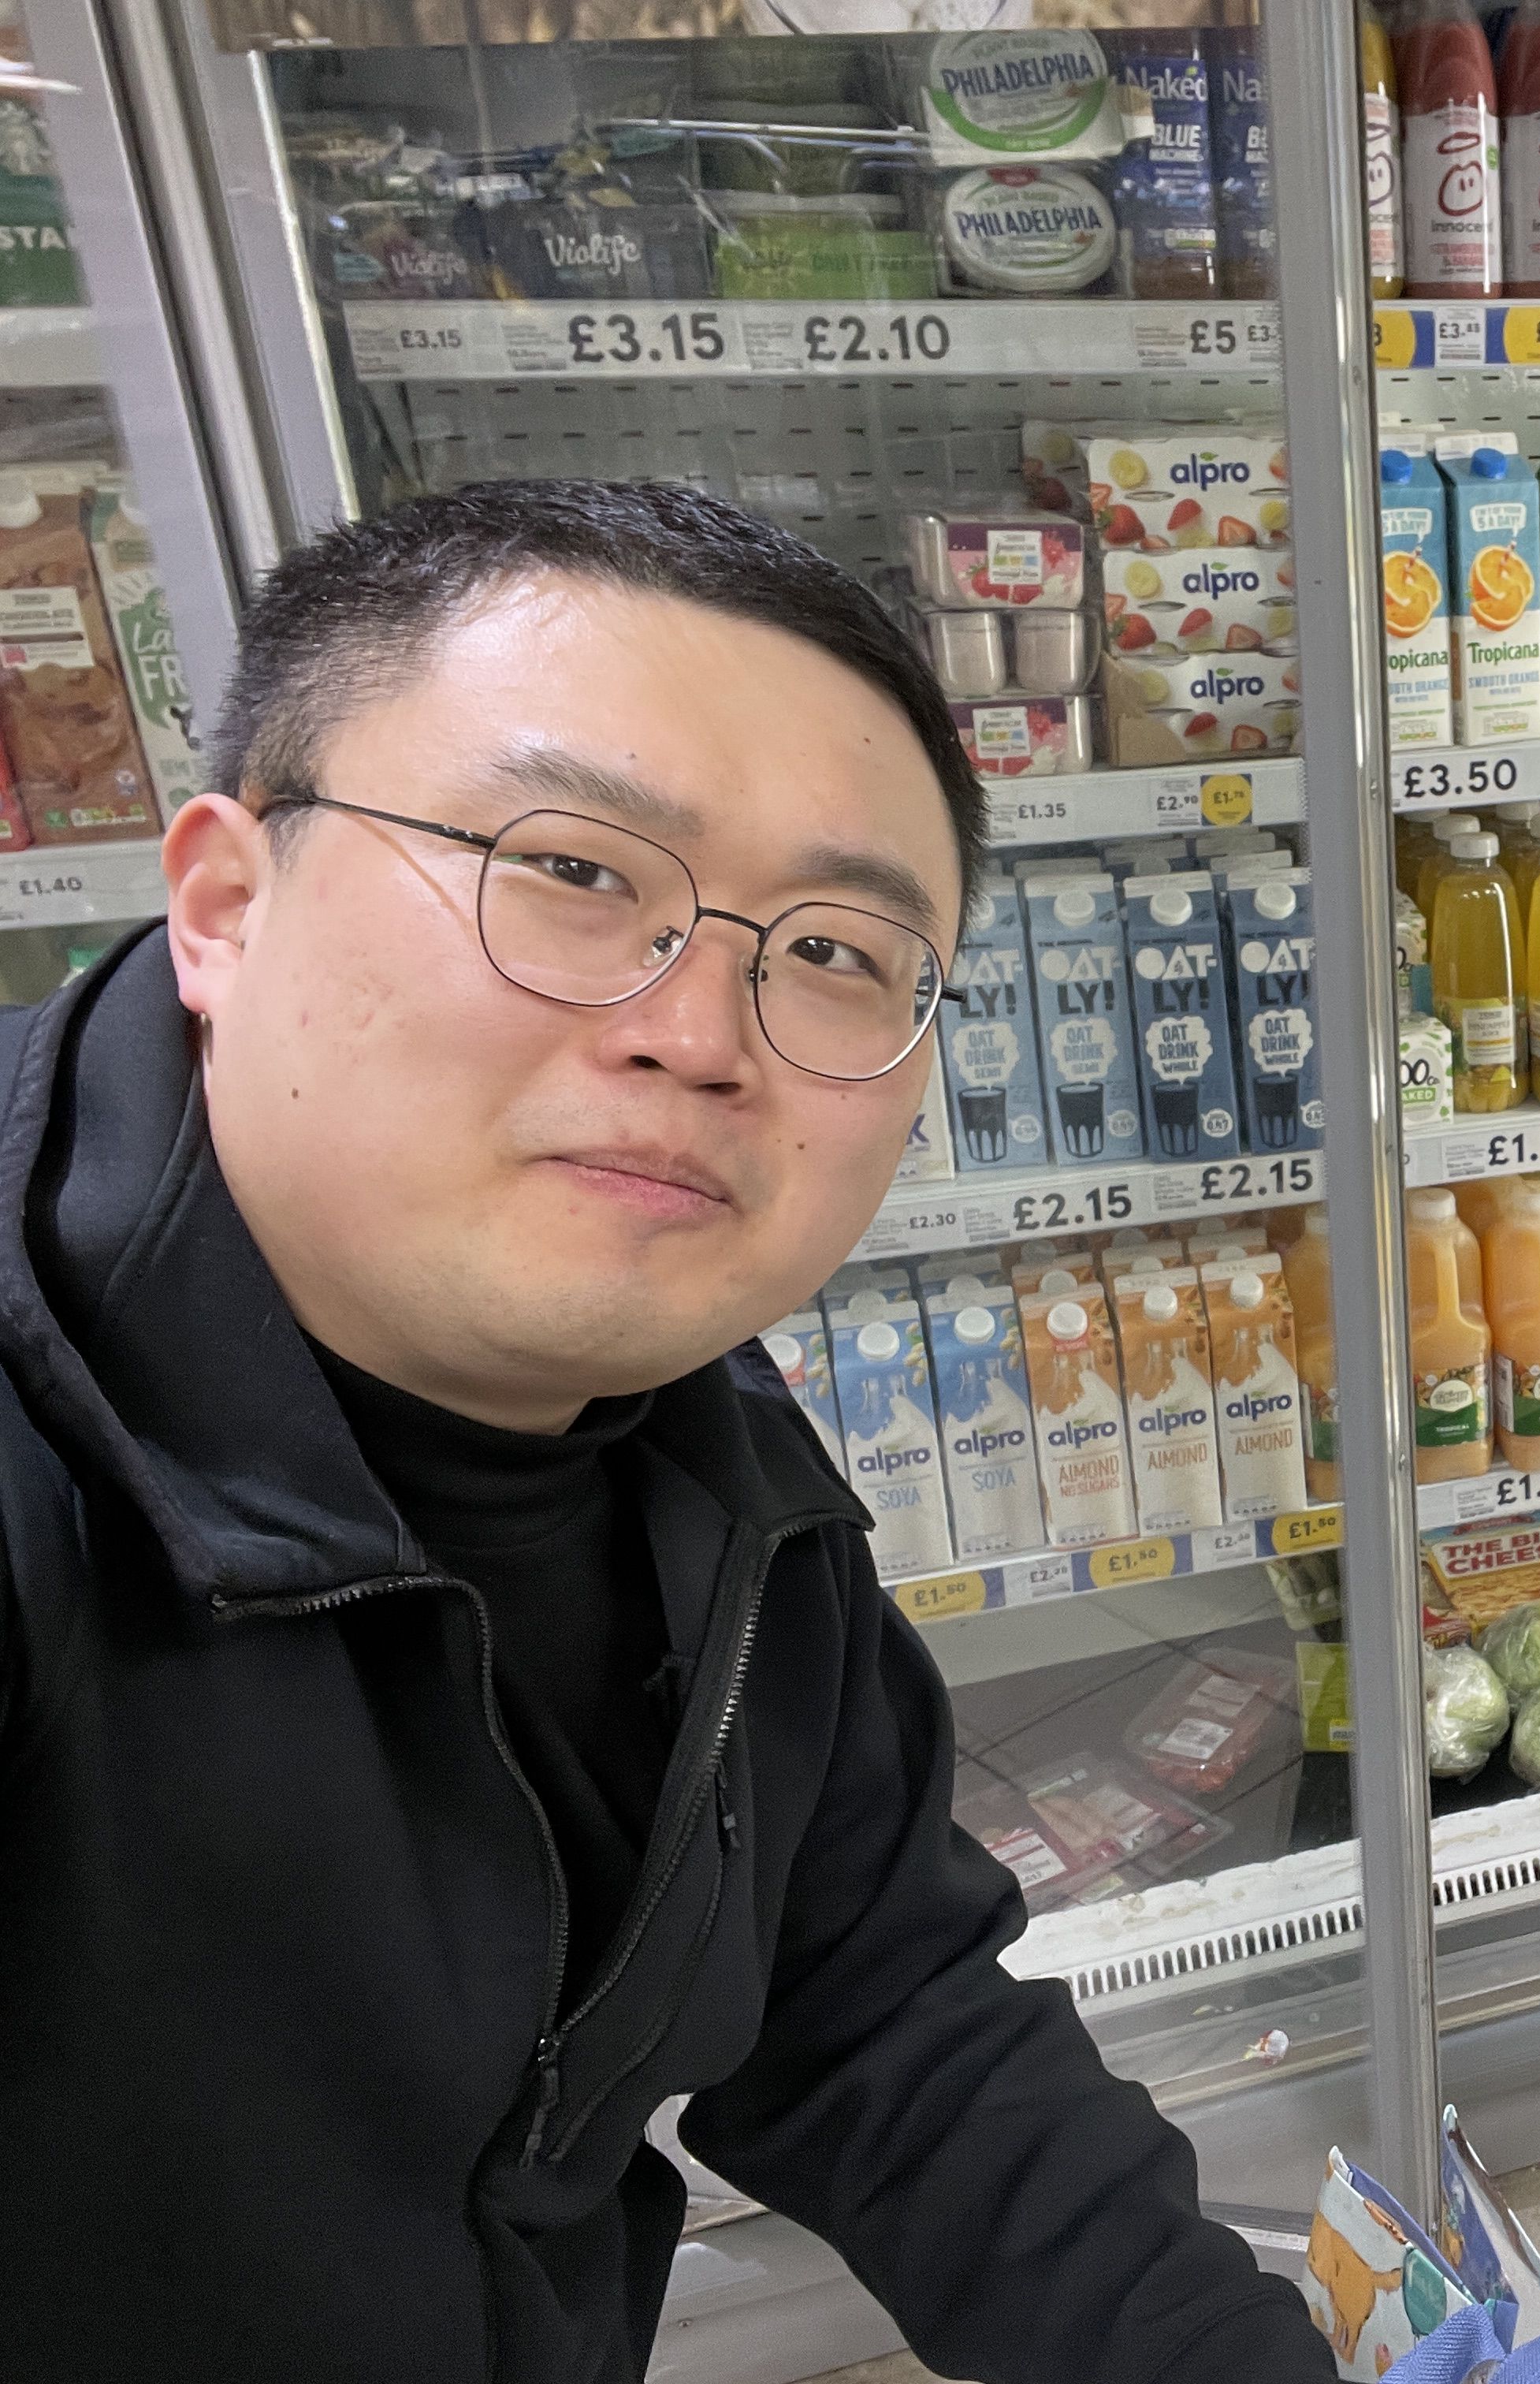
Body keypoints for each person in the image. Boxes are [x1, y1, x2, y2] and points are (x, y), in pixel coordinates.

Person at [0, 481, 1337, 2383]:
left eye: (836, 956)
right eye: (574, 869)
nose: (702, 1030)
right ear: (225, 900)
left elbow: (876, 2013)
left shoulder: (683, 1426)